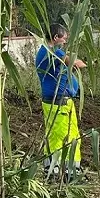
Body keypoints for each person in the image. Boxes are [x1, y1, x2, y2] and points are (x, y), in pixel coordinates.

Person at [35, 23, 86, 179]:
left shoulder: (48, 52)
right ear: (56, 37)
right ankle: (63, 172)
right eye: (64, 39)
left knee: (62, 135)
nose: (65, 42)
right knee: (63, 135)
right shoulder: (51, 53)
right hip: (58, 103)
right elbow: (75, 63)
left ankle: (59, 170)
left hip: (56, 101)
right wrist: (88, 64)